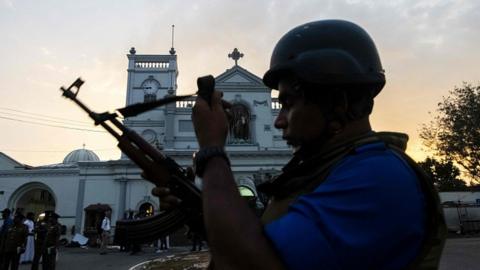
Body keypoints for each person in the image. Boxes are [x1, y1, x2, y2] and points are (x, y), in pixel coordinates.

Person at [152, 19, 447, 269]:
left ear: (338, 103)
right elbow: (266, 233)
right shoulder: (327, 171)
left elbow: (247, 262)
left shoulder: (378, 177)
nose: (279, 121)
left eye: (289, 103)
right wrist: (199, 203)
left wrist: (212, 153)